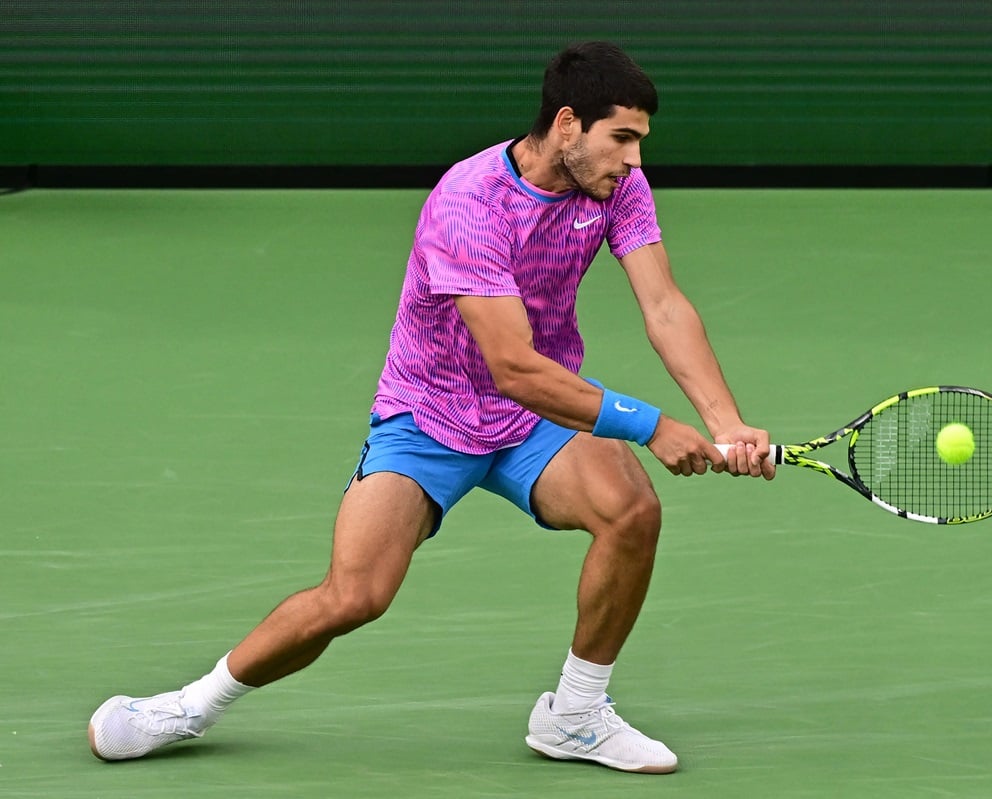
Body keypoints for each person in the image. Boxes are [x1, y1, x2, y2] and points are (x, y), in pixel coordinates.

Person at [87, 40, 774, 775]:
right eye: (623, 138)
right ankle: (189, 706)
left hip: (534, 419)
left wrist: (725, 421)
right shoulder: (469, 202)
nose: (634, 160)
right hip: (429, 415)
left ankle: (575, 715)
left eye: (640, 142)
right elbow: (512, 366)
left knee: (631, 511)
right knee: (355, 595)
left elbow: (664, 306)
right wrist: (652, 425)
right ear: (568, 124)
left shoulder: (616, 187)